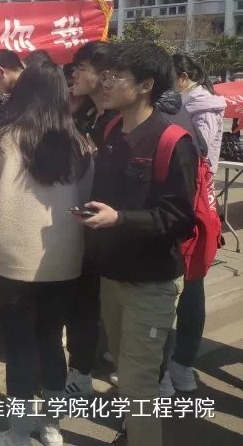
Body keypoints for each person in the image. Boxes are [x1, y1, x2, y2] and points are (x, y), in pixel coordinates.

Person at [0, 62, 93, 446]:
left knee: (19, 347)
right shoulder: (79, 143)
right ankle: (51, 427)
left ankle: (18, 432)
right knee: (52, 342)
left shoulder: (2, 140)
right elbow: (88, 200)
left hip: (13, 261)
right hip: (65, 259)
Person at [81, 44, 197, 446]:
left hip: (151, 283)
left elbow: (179, 218)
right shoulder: (112, 129)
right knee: (125, 371)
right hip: (112, 276)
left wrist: (120, 218)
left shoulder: (172, 140)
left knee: (138, 381)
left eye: (116, 77)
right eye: (105, 74)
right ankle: (133, 432)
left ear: (146, 85)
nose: (106, 82)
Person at [163, 54, 227, 393]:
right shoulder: (193, 104)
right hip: (196, 201)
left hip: (193, 200)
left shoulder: (200, 107)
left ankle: (178, 365)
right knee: (187, 283)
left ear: (184, 76)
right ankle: (176, 366)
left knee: (185, 283)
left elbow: (199, 154)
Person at [63, 41, 119, 398]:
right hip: (88, 228)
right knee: (84, 302)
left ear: (104, 75)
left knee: (116, 309)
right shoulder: (87, 115)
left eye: (81, 68)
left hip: (117, 232)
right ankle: (80, 369)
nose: (74, 75)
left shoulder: (123, 119)